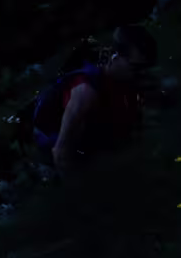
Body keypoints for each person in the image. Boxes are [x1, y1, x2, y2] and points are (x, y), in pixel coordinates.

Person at [38, 26, 153, 175]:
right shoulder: (86, 93)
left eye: (145, 68)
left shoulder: (129, 83)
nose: (142, 75)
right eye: (136, 68)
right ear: (115, 57)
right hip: (54, 153)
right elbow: (60, 152)